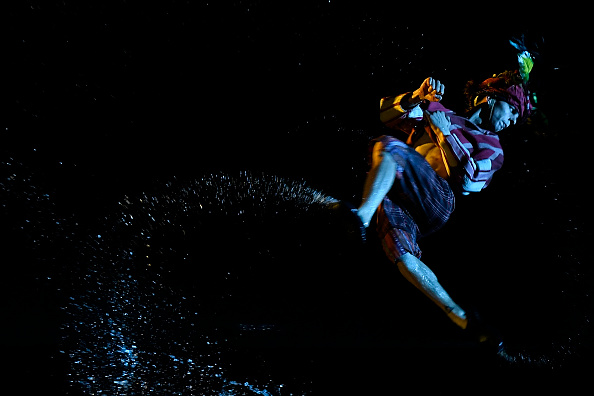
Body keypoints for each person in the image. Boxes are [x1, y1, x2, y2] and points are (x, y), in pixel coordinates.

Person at [346, 71, 533, 343]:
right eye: (512, 111)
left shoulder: (492, 146)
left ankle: (359, 218)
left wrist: (444, 134)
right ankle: (462, 318)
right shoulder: (440, 112)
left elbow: (470, 182)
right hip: (399, 198)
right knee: (401, 252)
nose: (512, 121)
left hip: (438, 200)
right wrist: (417, 97)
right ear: (492, 99)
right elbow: (386, 114)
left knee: (389, 148)